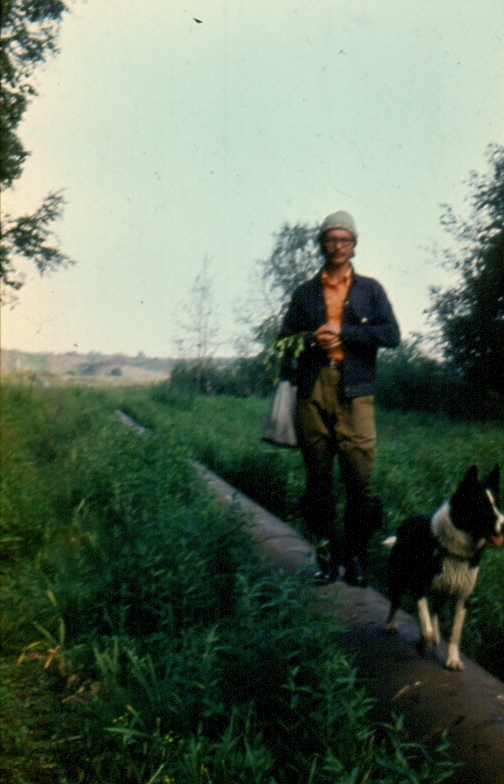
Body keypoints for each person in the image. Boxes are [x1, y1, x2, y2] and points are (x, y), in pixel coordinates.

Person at [279, 211, 400, 586]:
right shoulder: (304, 293)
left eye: (344, 239)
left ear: (354, 244)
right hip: (313, 390)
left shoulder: (370, 290)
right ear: (321, 244)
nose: (337, 246)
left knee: (359, 480)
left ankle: (357, 560)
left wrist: (344, 333)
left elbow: (391, 335)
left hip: (356, 392)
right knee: (318, 481)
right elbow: (284, 339)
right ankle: (327, 559)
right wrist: (311, 339)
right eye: (330, 239)